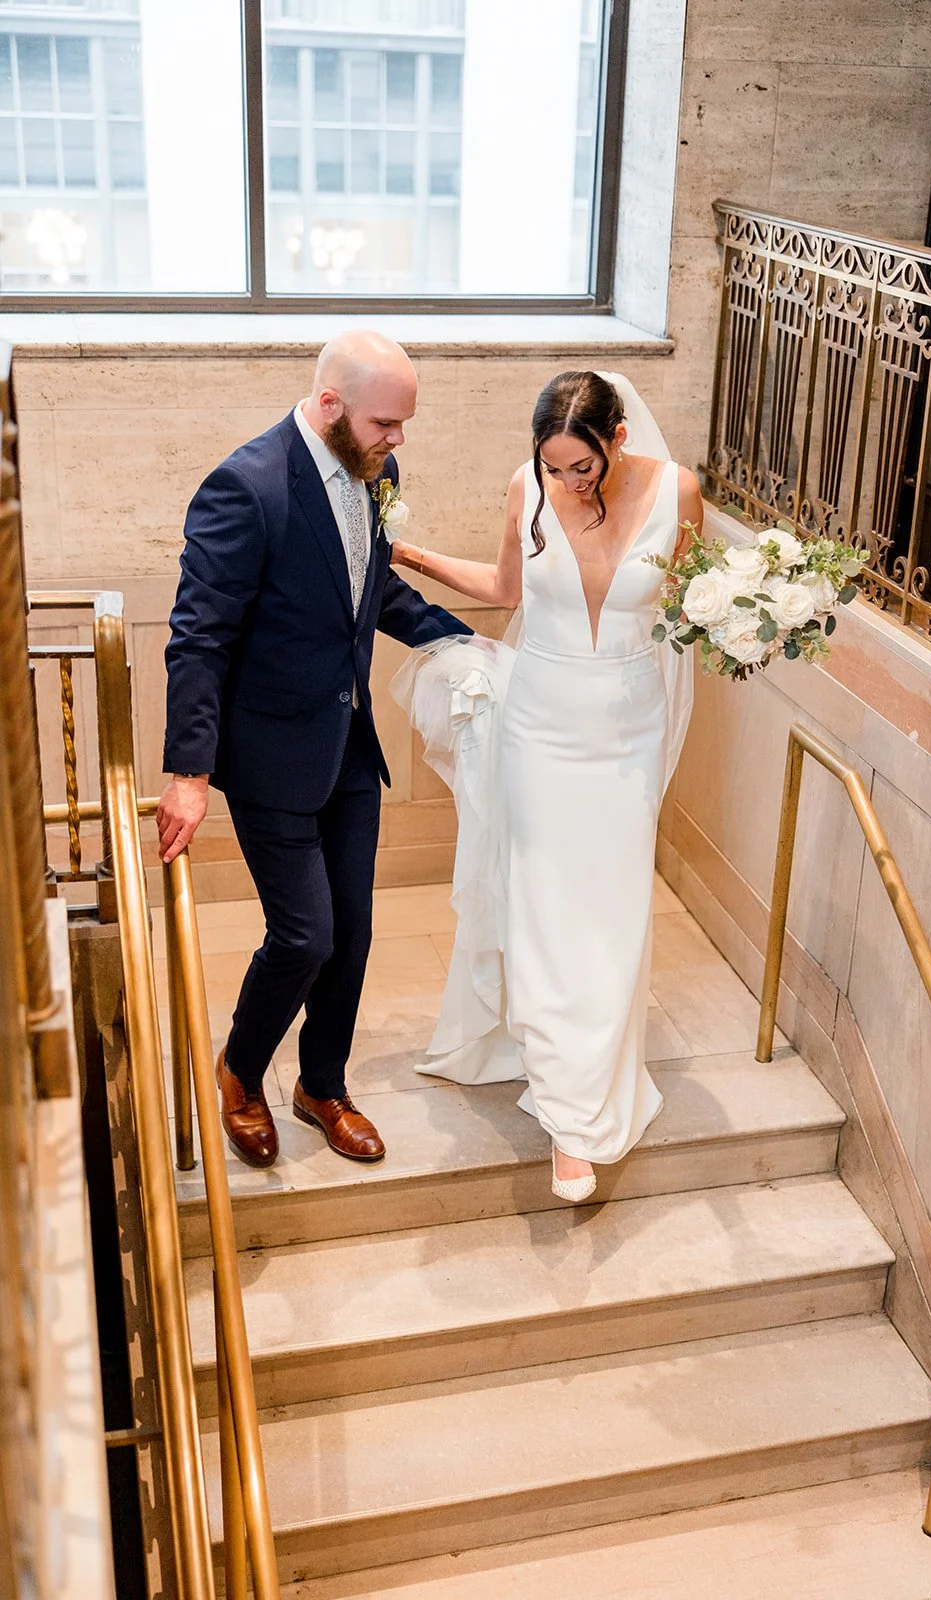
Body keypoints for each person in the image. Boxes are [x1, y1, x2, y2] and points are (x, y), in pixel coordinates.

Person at [157, 331, 471, 1169]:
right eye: (385, 422)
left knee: (354, 933)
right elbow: (197, 640)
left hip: (347, 747)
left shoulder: (375, 472)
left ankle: (321, 1085)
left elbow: (370, 590)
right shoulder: (246, 487)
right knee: (305, 936)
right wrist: (188, 773)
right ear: (329, 404)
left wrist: (467, 648)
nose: (397, 440)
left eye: (403, 424)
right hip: (268, 754)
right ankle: (240, 1070)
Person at [390, 371, 700, 1202]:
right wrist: (407, 554)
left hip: (628, 730)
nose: (566, 483)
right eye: (554, 467)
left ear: (618, 439)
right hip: (540, 727)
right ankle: (570, 1119)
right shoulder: (526, 488)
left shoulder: (679, 494)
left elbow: (690, 606)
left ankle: (594, 1074)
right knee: (543, 903)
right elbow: (504, 591)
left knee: (614, 909)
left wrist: (748, 611)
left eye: (581, 467)